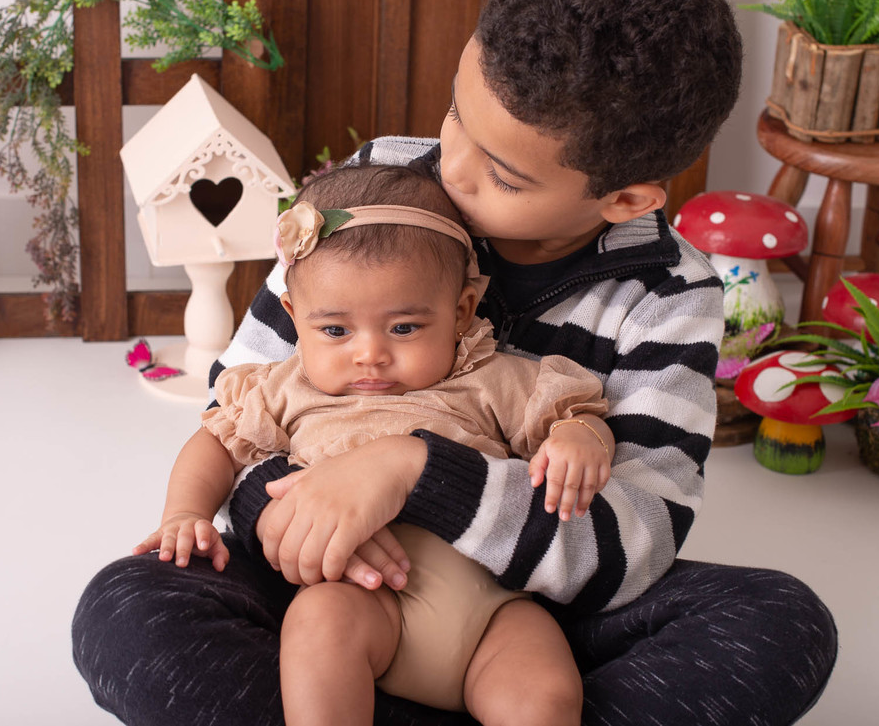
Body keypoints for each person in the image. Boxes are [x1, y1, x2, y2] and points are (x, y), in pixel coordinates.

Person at [73, 0, 838, 725]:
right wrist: (301, 507)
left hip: (523, 605)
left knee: (779, 626)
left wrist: (414, 472)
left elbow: (632, 548)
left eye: (503, 174)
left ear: (625, 200)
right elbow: (239, 403)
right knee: (126, 612)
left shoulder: (668, 295)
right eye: (455, 116)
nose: (453, 166)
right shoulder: (379, 188)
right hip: (324, 573)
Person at [133, 163, 616, 724]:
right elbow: (217, 442)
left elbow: (574, 413)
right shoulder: (285, 388)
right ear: (294, 317)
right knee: (319, 624)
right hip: (361, 602)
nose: (369, 355)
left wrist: (580, 437)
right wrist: (185, 513)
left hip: (493, 609)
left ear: (460, 311)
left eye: (404, 328)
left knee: (546, 693)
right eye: (335, 331)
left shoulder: (490, 378)